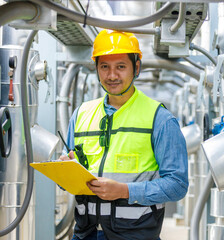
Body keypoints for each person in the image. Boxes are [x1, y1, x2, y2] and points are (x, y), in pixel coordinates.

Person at [59, 29, 189, 240]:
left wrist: (125, 191)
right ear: (97, 69)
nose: (111, 75)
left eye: (120, 67)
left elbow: (177, 184)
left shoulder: (160, 119)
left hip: (136, 235)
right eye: (104, 67)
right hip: (85, 233)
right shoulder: (81, 114)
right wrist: (66, 170)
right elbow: (67, 173)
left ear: (136, 68)